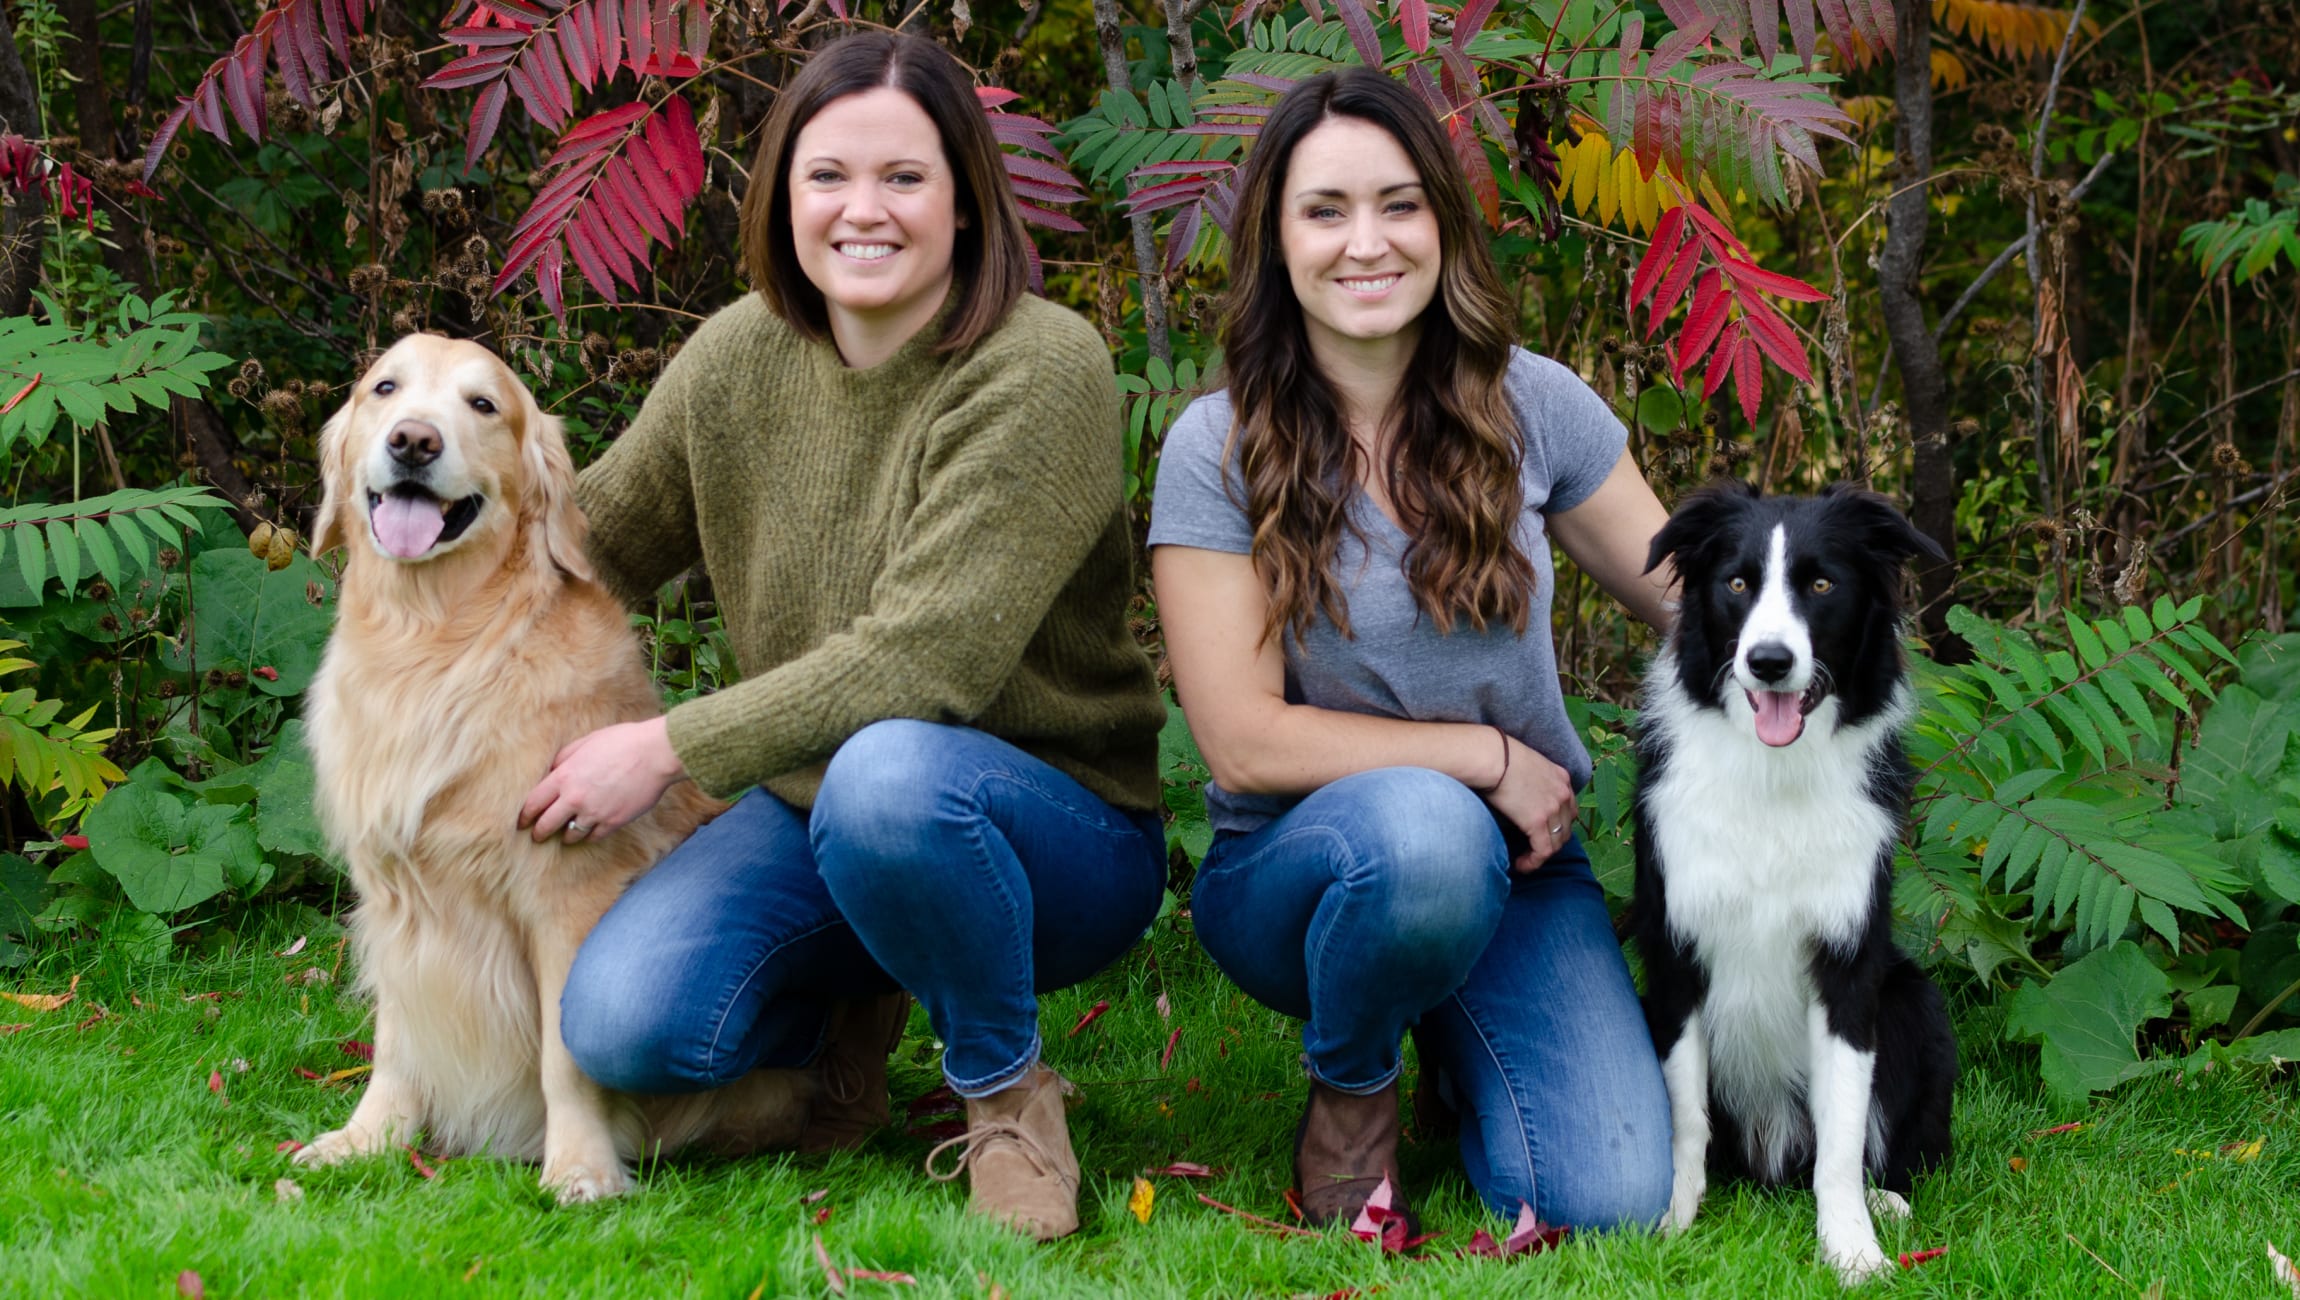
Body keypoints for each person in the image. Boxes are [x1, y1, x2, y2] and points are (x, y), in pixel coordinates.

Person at [521, 31, 1167, 1242]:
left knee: (887, 775)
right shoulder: (734, 360)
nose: (860, 211)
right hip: (811, 807)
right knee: (626, 1026)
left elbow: (928, 659)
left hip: (1048, 824)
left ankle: (1002, 1087)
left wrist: (665, 745)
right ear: (780, 198)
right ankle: (848, 1015)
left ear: (967, 202)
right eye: (826, 177)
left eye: (903, 178)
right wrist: (431, 489)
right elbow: (582, 545)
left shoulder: (1041, 365)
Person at [1148, 67, 1677, 1233]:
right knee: (1424, 829)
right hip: (1307, 873)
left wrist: (1809, 639)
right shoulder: (1215, 446)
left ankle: (1452, 1038)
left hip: (1523, 874)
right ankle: (1351, 1088)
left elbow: (1691, 600)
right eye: (1324, 210)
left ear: (1442, 221)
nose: (1365, 242)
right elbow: (1237, 742)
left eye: (1397, 204)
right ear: (1275, 242)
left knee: (1609, 1197)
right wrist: (1484, 755)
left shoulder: (1533, 405)